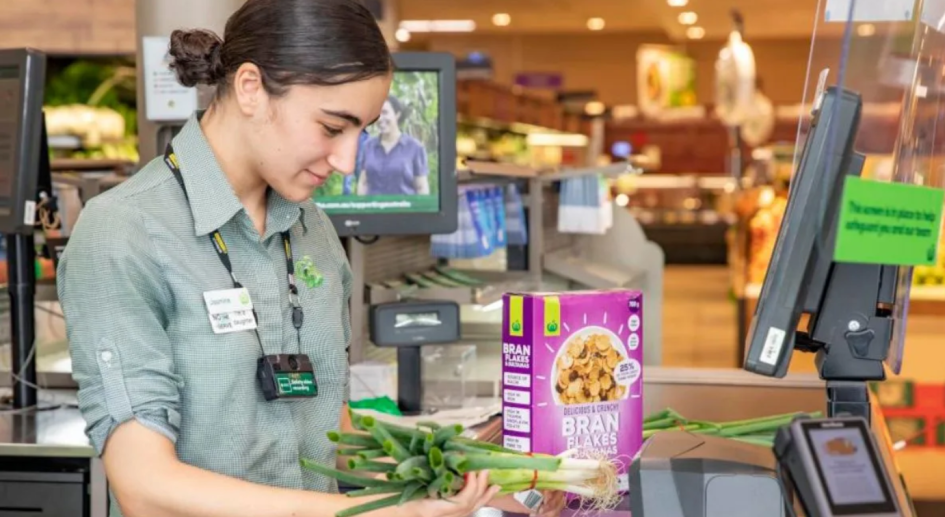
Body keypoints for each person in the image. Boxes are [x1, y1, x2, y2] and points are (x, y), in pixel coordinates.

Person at [56, 1, 564, 517]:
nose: (347, 161)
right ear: (251, 87)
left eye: (361, 132)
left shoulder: (312, 228)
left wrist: (483, 479)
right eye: (331, 127)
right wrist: (379, 515)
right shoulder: (124, 232)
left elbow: (330, 437)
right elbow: (145, 488)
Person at [356, 95, 430, 196]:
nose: (380, 118)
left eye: (385, 112)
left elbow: (421, 187)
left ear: (397, 114)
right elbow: (363, 183)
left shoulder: (415, 148)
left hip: (405, 210)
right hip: (374, 210)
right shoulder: (367, 147)